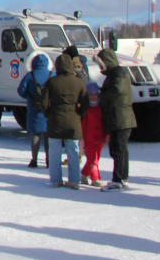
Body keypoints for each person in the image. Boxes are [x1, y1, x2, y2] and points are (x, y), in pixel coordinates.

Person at [41, 54, 89, 189]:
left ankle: (56, 180)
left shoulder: (52, 81)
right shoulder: (78, 81)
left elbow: (44, 102)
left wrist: (48, 114)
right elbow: (85, 102)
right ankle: (74, 180)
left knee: (54, 152)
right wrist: (80, 114)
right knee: (73, 151)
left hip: (55, 120)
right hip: (73, 120)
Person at [97, 48, 137, 191]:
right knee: (121, 149)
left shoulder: (118, 74)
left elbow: (117, 90)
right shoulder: (118, 73)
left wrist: (101, 95)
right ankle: (122, 178)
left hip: (120, 118)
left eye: (101, 63)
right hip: (122, 118)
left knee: (118, 149)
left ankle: (118, 179)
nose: (100, 67)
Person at [17, 54, 54, 168]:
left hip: (34, 109)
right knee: (48, 135)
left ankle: (34, 159)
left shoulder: (29, 75)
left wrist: (29, 97)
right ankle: (48, 160)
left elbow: (21, 91)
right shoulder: (52, 75)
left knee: (35, 134)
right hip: (49, 109)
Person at [80, 82, 106, 187]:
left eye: (95, 96)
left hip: (100, 136)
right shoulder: (86, 109)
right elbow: (82, 124)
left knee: (96, 158)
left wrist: (106, 134)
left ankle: (84, 174)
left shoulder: (101, 108)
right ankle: (95, 178)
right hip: (89, 137)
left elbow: (105, 122)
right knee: (92, 158)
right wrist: (81, 137)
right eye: (91, 96)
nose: (94, 98)